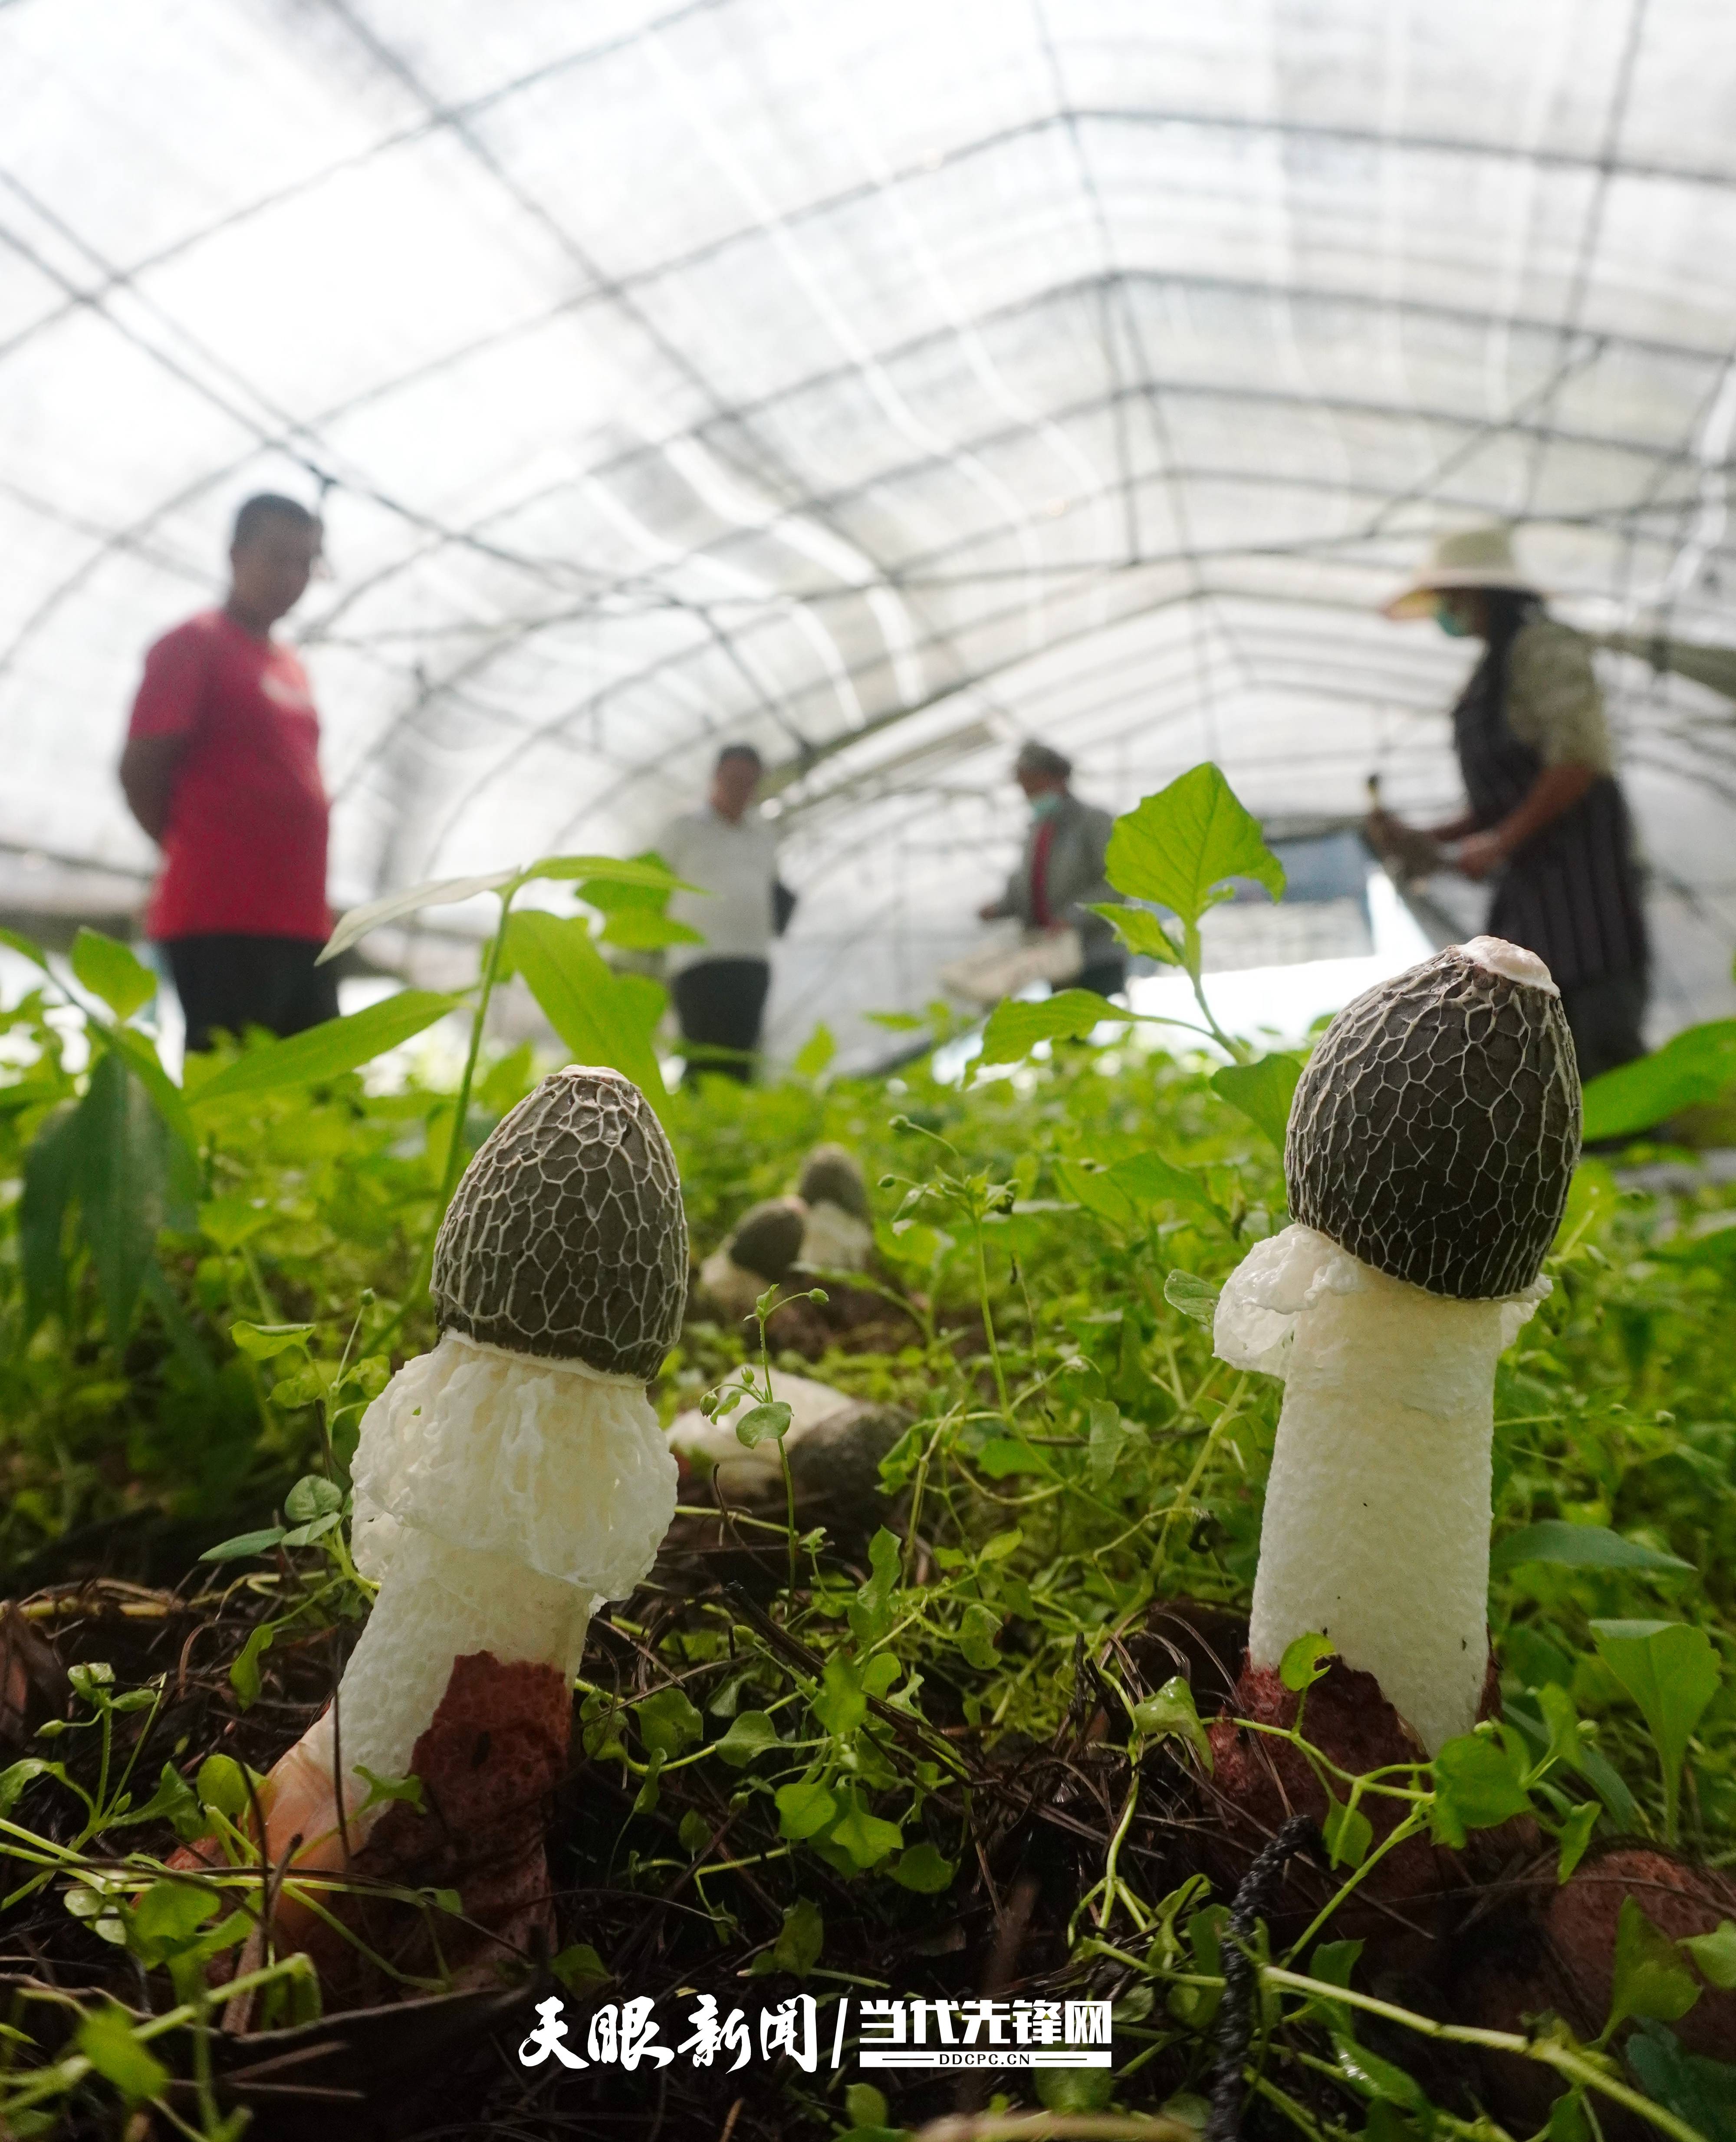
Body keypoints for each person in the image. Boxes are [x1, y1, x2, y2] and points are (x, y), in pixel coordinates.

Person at [1372, 524, 1649, 1081]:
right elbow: (1500, 798)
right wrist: (1431, 839)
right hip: (1530, 882)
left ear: (1480, 595)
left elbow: (1577, 762)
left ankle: (1629, 1152)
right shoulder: (1488, 671)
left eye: (1451, 600)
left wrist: (1499, 844)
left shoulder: (1543, 649)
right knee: (1531, 1029)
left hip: (1580, 875)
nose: (1446, 613)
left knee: (1595, 1024)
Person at [119, 493, 337, 1052]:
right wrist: (198, 852)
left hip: (302, 921)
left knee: (319, 1092)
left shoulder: (288, 663)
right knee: (231, 1091)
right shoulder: (193, 644)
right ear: (237, 554)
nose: (294, 576)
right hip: (221, 917)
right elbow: (142, 768)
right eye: (279, 557)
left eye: (306, 562)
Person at [660, 743, 785, 1083]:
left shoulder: (764, 834)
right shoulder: (682, 828)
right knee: (701, 1052)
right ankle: (696, 1127)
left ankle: (733, 1126)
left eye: (749, 781)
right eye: (733, 779)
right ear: (716, 778)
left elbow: (772, 887)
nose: (740, 789)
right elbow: (652, 887)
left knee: (742, 1055)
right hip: (696, 960)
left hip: (751, 959)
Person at [977, 740, 1125, 997]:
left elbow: (1118, 883)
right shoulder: (1038, 829)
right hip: (1056, 957)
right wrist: (1001, 907)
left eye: (1030, 783)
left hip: (1096, 955)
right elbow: (1029, 883)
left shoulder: (1093, 822)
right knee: (1066, 1032)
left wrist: (1073, 918)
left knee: (1096, 1022)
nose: (1025, 792)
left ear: (1054, 778)